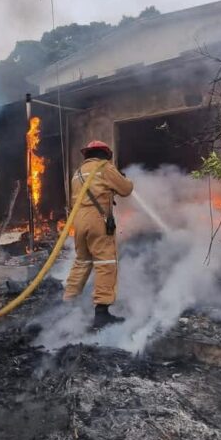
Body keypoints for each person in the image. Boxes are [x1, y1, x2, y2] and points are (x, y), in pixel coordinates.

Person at [63, 140, 134, 330]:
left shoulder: (77, 174)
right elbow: (126, 189)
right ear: (104, 154)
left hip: (78, 221)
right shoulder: (104, 168)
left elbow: (90, 194)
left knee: (82, 261)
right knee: (105, 262)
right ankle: (102, 314)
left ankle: (67, 304)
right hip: (98, 220)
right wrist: (122, 178)